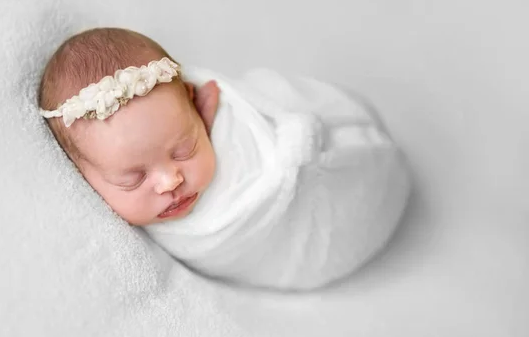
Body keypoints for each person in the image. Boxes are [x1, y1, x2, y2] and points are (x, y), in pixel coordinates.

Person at [38, 27, 411, 290]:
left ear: (198, 105)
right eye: (133, 179)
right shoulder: (198, 229)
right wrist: (287, 168)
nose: (171, 181)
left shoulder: (205, 106)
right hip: (312, 242)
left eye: (183, 149)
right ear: (81, 176)